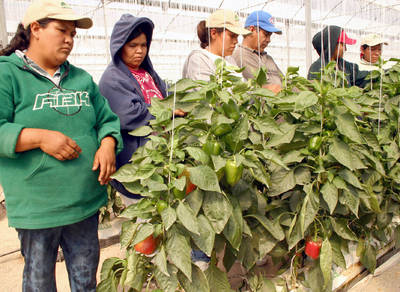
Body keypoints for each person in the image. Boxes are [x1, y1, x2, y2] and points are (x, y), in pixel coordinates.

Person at [0, 0, 123, 291]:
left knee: (85, 281)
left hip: (83, 204)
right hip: (39, 208)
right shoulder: (8, 75)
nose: (69, 40)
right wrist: (40, 137)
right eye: (62, 30)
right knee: (40, 283)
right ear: (35, 29)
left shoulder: (81, 79)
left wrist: (107, 143)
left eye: (73, 34)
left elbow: (107, 119)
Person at [99, 14, 184, 200]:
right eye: (133, 45)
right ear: (120, 45)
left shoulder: (147, 73)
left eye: (143, 45)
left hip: (160, 156)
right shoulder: (113, 77)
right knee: (143, 215)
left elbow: (168, 96)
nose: (139, 51)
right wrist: (167, 111)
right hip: (136, 160)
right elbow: (128, 114)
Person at [182, 9, 251, 81]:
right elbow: (205, 90)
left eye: (237, 37)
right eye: (232, 36)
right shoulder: (199, 60)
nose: (236, 41)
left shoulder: (230, 60)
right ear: (213, 33)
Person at [232, 10, 282, 93]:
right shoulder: (241, 56)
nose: (268, 40)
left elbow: (286, 82)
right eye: (266, 34)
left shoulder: (268, 58)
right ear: (251, 29)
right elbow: (263, 90)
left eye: (270, 36)